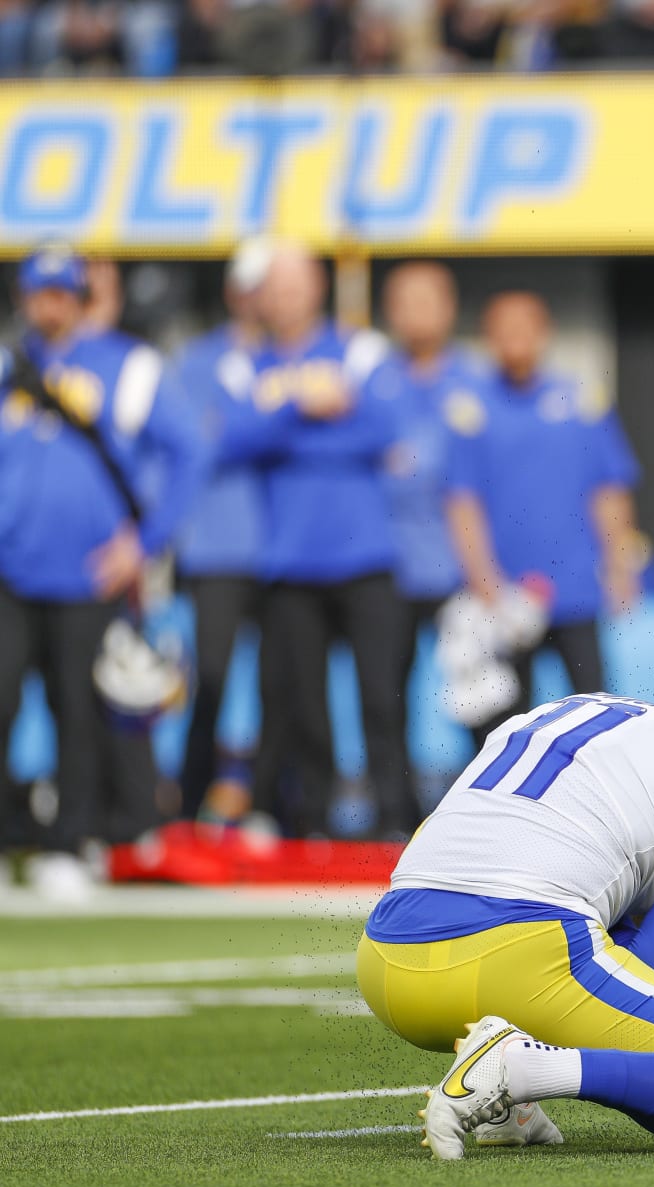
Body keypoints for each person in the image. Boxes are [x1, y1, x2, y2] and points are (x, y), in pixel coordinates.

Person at [356, 629, 654, 1158]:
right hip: (519, 951)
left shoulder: (571, 711)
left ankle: (511, 1099)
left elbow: (518, 851)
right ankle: (519, 1066)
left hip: (386, 963)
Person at [0, 242, 202, 897]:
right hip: (9, 567)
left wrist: (142, 545)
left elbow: (191, 453)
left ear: (81, 299)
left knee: (79, 710)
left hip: (89, 573)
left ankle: (70, 840)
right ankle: (9, 839)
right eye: (40, 292)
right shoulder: (8, 365)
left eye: (63, 293)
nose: (50, 304)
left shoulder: (128, 365)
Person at [216, 242, 412, 840]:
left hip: (366, 557)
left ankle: (396, 823)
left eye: (294, 284)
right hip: (288, 563)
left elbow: (384, 430)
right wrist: (305, 409)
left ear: (318, 287)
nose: (284, 297)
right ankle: (312, 825)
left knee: (382, 700)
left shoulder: (359, 350)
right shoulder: (244, 363)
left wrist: (285, 435)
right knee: (302, 707)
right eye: (273, 287)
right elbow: (228, 441)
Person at [444, 291, 643, 744]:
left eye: (525, 326)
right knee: (503, 726)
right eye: (504, 328)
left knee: (595, 718)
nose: (515, 338)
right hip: (506, 597)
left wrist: (619, 563)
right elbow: (462, 503)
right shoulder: (470, 411)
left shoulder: (581, 401)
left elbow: (608, 488)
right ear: (488, 337)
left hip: (574, 589)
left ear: (544, 332)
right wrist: (486, 582)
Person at [367, 262, 480, 788]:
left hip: (463, 566)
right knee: (384, 691)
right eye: (403, 301)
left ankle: (489, 803)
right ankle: (393, 810)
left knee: (482, 691)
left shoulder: (476, 381)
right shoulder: (373, 382)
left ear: (450, 306)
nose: (415, 313)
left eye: (426, 300)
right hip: (389, 563)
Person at [171, 238, 270, 817]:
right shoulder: (199, 361)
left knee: (284, 686)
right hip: (217, 546)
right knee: (210, 681)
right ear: (234, 292)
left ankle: (275, 800)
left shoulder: (293, 357)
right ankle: (189, 801)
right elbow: (197, 443)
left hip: (284, 548)